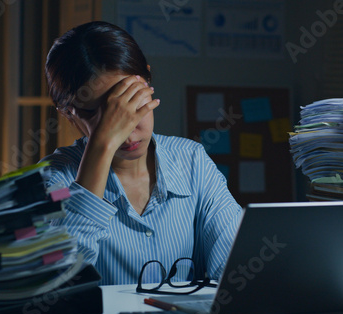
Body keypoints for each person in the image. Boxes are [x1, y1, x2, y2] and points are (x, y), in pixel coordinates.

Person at [42, 21, 242, 285]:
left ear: (147, 82)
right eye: (95, 114)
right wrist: (101, 145)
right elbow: (60, 283)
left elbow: (235, 269)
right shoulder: (53, 179)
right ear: (69, 113)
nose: (125, 130)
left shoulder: (192, 161)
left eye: (130, 102)